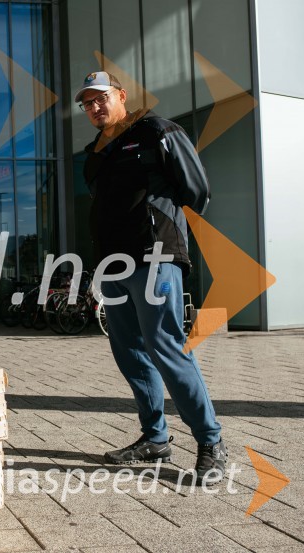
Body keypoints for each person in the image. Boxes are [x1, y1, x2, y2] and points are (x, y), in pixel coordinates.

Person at [77, 72, 227, 481]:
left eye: (101, 98)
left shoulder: (157, 131)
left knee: (165, 345)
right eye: (87, 103)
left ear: (121, 96)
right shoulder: (95, 152)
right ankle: (154, 439)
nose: (94, 107)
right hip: (114, 265)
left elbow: (197, 191)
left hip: (155, 255)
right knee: (128, 350)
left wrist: (162, 231)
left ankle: (211, 440)